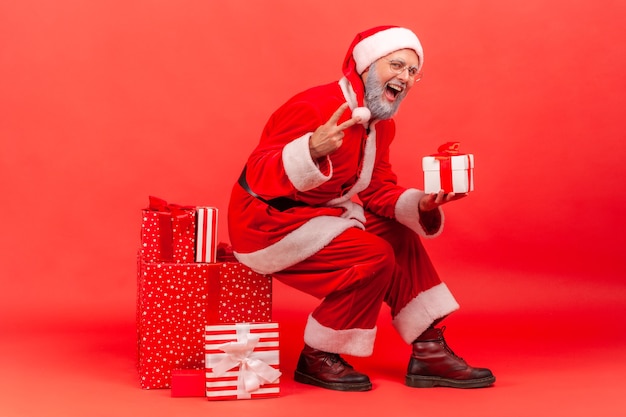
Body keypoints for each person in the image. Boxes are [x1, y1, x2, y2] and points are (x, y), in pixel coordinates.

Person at [227, 25, 495, 391]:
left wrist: (424, 203)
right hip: (266, 222)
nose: (405, 77)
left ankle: (428, 350)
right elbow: (257, 174)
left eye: (413, 72)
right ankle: (319, 356)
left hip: (321, 216)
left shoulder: (382, 127)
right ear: (366, 65)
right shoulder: (313, 105)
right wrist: (310, 150)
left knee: (398, 234)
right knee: (374, 255)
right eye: (397, 65)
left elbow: (377, 189)